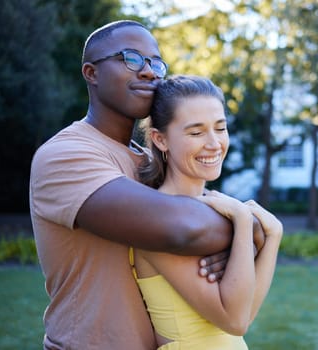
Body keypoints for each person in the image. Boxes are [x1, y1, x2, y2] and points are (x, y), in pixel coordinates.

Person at [29, 20, 264, 349]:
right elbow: (182, 227)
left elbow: (196, 218)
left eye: (156, 62)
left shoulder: (147, 161)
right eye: (131, 58)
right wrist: (248, 228)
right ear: (91, 73)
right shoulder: (66, 155)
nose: (150, 72)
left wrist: (228, 236)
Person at [130, 75, 283, 349]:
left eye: (220, 128)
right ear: (160, 139)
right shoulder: (159, 220)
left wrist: (273, 236)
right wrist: (243, 220)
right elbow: (234, 320)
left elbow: (245, 315)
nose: (214, 143)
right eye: (196, 132)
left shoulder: (211, 209)